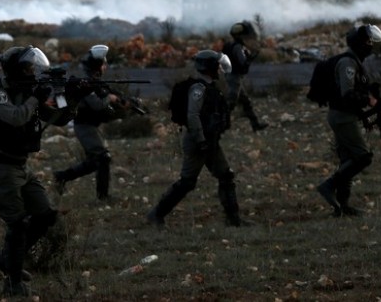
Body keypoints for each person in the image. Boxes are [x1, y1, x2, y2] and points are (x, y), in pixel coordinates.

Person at [0, 45, 59, 296]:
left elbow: (59, 118)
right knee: (17, 224)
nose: (32, 72)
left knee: (45, 215)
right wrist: (37, 97)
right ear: (16, 69)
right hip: (0, 167)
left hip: (20, 165)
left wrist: (68, 97)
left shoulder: (28, 92)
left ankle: (7, 260)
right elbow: (15, 117)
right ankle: (13, 283)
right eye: (27, 67)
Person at [146, 50, 250, 228]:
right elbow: (192, 116)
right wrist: (201, 140)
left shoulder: (210, 87)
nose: (219, 68)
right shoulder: (198, 88)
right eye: (217, 65)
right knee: (187, 182)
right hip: (198, 142)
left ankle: (234, 220)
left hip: (210, 140)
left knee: (226, 176)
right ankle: (156, 214)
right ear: (209, 67)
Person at [316, 24, 381, 217]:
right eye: (368, 42)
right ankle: (328, 186)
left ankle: (342, 206)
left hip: (344, 116)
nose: (371, 45)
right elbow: (347, 94)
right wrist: (368, 100)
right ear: (359, 43)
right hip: (342, 117)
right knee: (363, 157)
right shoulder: (348, 63)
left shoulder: (355, 61)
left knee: (347, 160)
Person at [53, 45, 131, 201]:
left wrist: (120, 101)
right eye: (103, 63)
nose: (105, 67)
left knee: (94, 162)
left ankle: (61, 177)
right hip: (84, 126)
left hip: (89, 126)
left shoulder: (93, 82)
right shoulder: (86, 84)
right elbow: (96, 104)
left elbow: (105, 105)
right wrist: (110, 98)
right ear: (97, 66)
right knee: (103, 158)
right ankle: (103, 197)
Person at [222, 21, 269, 132]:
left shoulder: (230, 45)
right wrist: (252, 56)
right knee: (231, 102)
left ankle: (255, 124)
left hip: (230, 75)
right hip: (235, 77)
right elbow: (243, 63)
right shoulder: (238, 47)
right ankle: (221, 124)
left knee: (245, 102)